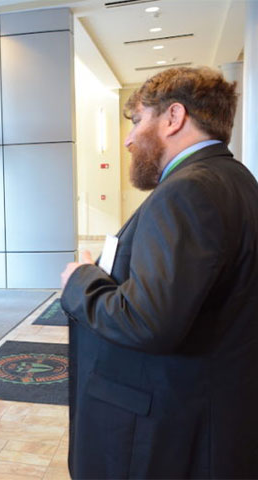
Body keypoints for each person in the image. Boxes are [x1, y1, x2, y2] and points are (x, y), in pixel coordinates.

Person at [60, 66, 258, 478]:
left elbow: (147, 321)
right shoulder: (236, 179)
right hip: (210, 413)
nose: (130, 139)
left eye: (135, 121)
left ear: (173, 117)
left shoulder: (187, 191)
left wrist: (80, 278)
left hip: (166, 429)